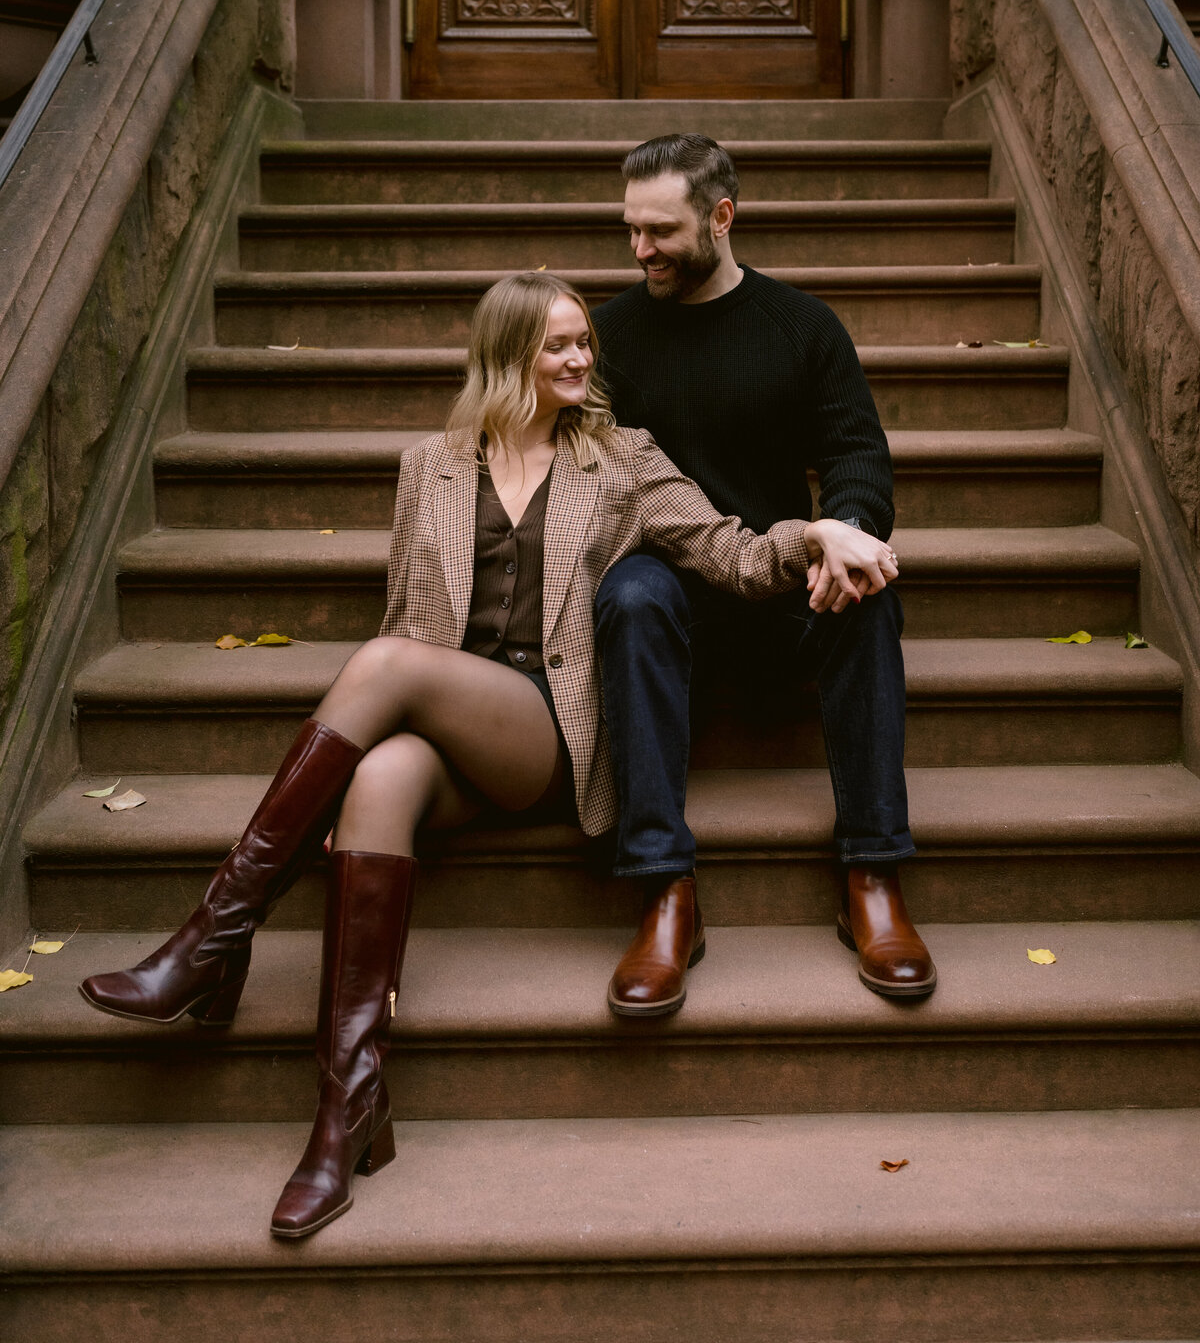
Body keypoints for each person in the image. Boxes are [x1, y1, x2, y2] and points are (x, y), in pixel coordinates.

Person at [78, 271, 850, 1241]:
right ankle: (344, 1112)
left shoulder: (621, 458)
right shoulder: (429, 467)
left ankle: (213, 940)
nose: (581, 359)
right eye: (558, 345)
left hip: (549, 736)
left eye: (584, 345)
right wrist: (398, 713)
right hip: (452, 726)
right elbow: (410, 614)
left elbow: (728, 551)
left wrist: (816, 530)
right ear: (506, 356)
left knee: (386, 664)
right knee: (378, 776)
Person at [593, 132, 935, 1020]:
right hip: (670, 600)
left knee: (867, 590)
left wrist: (845, 536)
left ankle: (873, 873)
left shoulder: (802, 328)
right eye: (630, 230)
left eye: (660, 231)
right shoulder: (611, 336)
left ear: (722, 217)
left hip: (783, 588)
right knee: (628, 595)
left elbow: (857, 454)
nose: (640, 250)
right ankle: (664, 890)